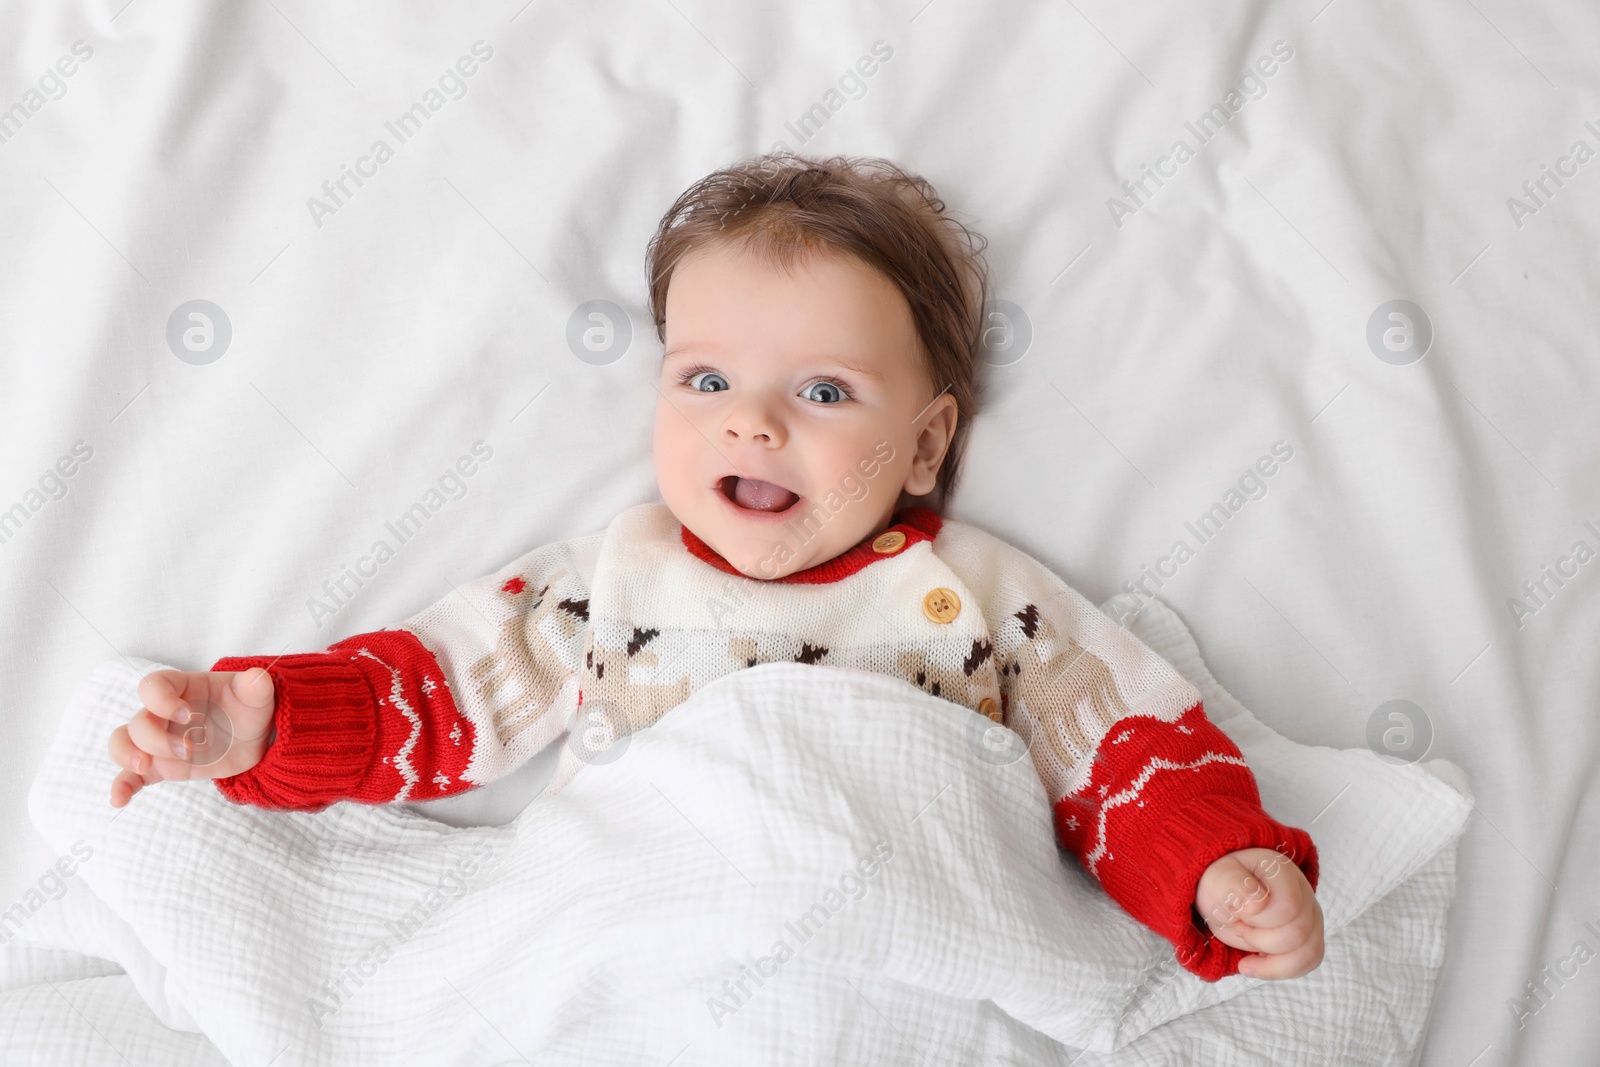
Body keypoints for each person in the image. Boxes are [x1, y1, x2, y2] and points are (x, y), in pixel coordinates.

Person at [107, 152, 1323, 982]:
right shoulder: (606, 579)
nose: (751, 422)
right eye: (706, 379)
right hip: (643, 947)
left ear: (927, 443)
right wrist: (266, 720)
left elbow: (1127, 746)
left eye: (823, 390)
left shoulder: (984, 595)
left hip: (909, 943)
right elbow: (437, 693)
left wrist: (1213, 862)